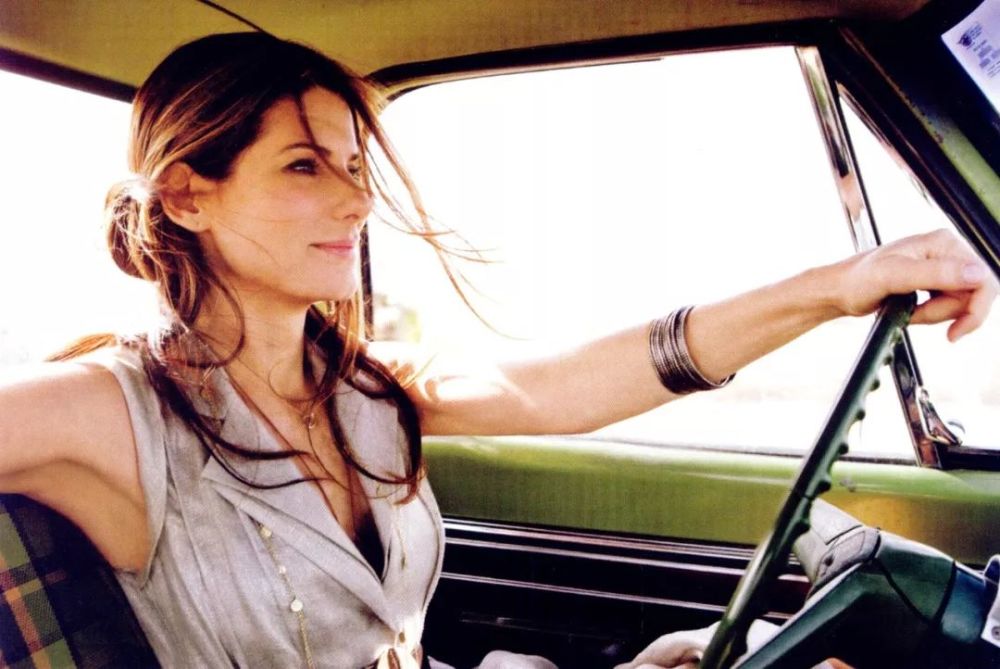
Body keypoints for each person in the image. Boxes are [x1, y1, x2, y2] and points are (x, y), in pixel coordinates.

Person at [0, 31, 996, 669]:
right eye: (305, 166)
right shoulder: (107, 409)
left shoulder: (359, 388)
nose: (355, 200)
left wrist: (833, 287)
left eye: (353, 165)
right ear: (187, 196)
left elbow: (561, 386)